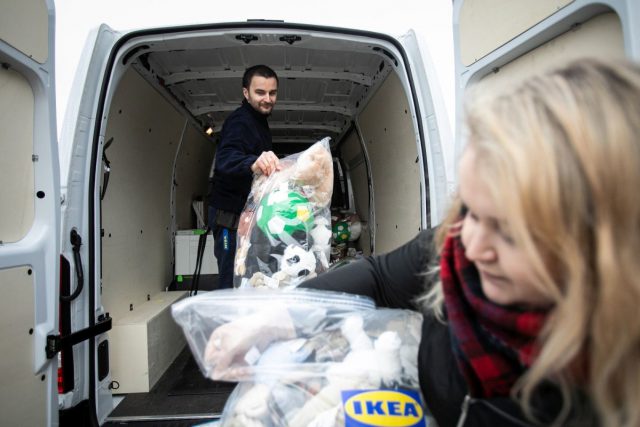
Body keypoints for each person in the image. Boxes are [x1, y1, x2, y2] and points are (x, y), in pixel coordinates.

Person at [204, 58, 640, 426]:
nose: (469, 242)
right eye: (468, 208)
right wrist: (272, 320)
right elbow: (378, 278)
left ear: (601, 250)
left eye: (508, 230)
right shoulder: (453, 251)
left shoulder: (600, 400)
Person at [208, 65, 281, 289]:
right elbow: (226, 159)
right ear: (246, 93)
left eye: (272, 93)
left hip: (246, 219)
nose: (267, 99)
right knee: (231, 280)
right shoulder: (240, 121)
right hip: (228, 219)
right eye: (260, 92)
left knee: (248, 277)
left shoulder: (259, 121)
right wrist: (253, 162)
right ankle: (229, 324)